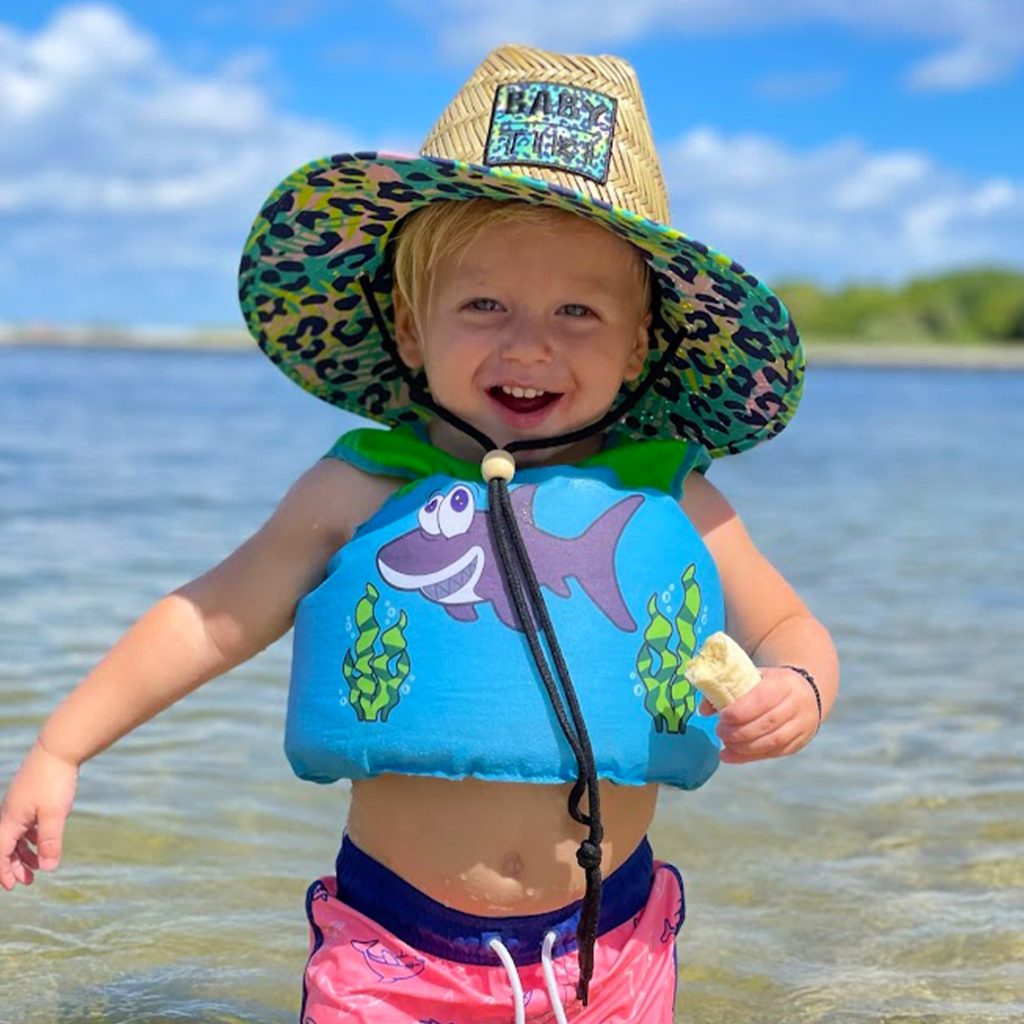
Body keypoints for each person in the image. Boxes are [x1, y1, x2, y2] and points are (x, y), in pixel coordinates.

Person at [0, 44, 838, 1023]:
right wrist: (61, 748)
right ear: (409, 329)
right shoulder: (359, 485)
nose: (530, 343)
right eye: (484, 304)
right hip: (394, 953)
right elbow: (212, 616)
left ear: (639, 344)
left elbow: (792, 628)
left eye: (578, 310)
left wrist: (799, 690)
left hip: (609, 946)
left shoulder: (672, 495)